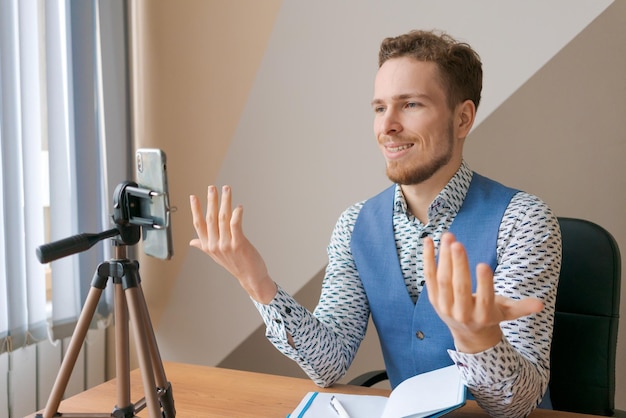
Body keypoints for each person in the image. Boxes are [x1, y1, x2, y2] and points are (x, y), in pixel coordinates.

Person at [189, 29, 561, 418]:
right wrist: (256, 281)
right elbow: (329, 361)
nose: (387, 126)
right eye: (379, 108)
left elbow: (518, 405)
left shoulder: (523, 221)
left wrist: (478, 338)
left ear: (463, 117)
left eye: (411, 104)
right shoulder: (355, 225)